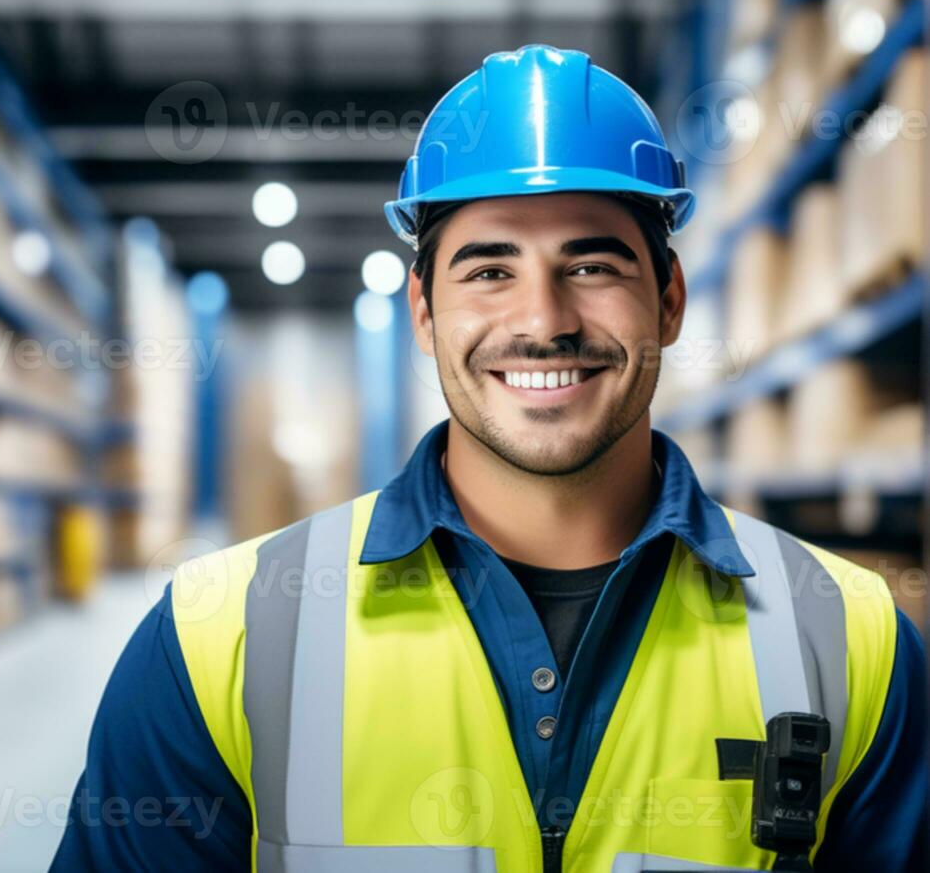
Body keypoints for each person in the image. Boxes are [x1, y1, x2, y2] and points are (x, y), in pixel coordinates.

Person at [51, 45, 927, 872]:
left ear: (668, 302)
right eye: (489, 271)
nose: (543, 320)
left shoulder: (851, 642)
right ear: (425, 314)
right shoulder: (217, 639)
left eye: (591, 265)